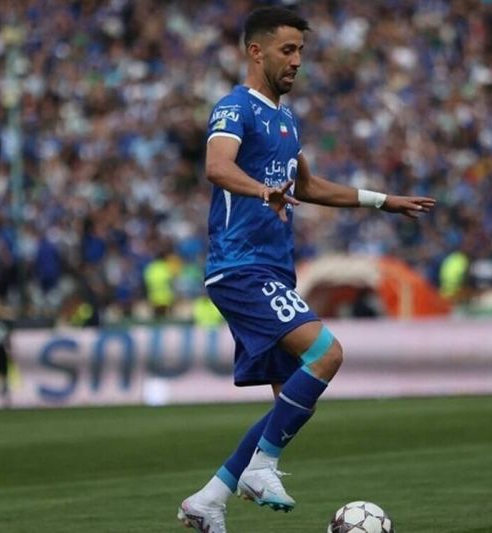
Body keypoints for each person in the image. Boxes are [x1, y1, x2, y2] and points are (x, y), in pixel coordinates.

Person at [176, 7, 436, 532]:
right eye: (288, 50)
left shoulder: (287, 119)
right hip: (241, 267)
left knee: (290, 403)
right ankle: (261, 469)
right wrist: (261, 190)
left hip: (273, 270)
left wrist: (382, 201)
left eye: (301, 51)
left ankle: (208, 500)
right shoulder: (235, 108)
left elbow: (309, 186)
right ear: (257, 52)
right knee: (326, 354)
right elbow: (217, 166)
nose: (297, 61)